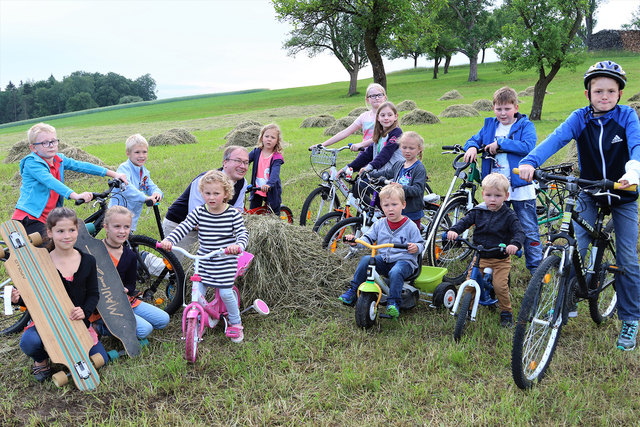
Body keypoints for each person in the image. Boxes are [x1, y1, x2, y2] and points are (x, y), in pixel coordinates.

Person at [518, 60, 640, 351]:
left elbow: (636, 145)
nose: (605, 97)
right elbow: (555, 139)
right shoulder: (580, 117)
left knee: (626, 259)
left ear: (620, 94)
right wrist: (530, 162)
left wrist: (633, 170)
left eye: (611, 91)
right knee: (573, 246)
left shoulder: (627, 117)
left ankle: (631, 318)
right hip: (588, 190)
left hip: (623, 193)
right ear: (588, 94)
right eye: (598, 91)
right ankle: (565, 304)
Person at [11, 207, 109, 382]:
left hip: (77, 321)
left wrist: (85, 312)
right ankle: (41, 361)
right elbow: (33, 296)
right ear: (49, 232)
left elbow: (94, 294)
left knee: (103, 358)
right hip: (48, 321)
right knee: (29, 341)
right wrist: (18, 299)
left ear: (77, 231)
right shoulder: (42, 262)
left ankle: (88, 333)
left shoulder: (87, 261)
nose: (67, 236)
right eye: (60, 231)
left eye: (71, 230)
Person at [159, 170, 249, 343]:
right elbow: (184, 226)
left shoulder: (232, 214)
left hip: (225, 261)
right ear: (202, 194)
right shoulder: (199, 212)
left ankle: (235, 322)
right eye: (207, 193)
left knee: (225, 293)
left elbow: (242, 234)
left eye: (216, 193)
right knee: (197, 290)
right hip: (204, 261)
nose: (212, 197)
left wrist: (238, 245)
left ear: (226, 194)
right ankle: (198, 319)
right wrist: (170, 239)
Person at [462, 86, 541, 274]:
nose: (503, 113)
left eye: (507, 108)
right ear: (493, 108)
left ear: (516, 107)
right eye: (499, 109)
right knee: (492, 226)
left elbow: (528, 146)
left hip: (520, 186)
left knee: (528, 228)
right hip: (496, 189)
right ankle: (488, 265)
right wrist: (472, 147)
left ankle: (536, 268)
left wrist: (501, 143)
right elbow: (474, 139)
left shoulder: (525, 125)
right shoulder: (490, 125)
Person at [12, 122, 128, 237]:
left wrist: (114, 174)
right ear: (33, 148)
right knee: (51, 249)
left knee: (70, 240)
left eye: (53, 141)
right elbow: (50, 181)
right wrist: (75, 195)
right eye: (45, 143)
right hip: (29, 218)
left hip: (49, 218)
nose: (51, 145)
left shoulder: (59, 159)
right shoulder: (32, 163)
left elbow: (82, 166)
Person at [446, 173, 525, 327]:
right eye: (488, 195)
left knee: (500, 286)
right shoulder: (478, 210)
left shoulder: (508, 215)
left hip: (500, 258)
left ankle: (506, 312)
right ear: (483, 194)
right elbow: (465, 221)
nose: (492, 199)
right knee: (470, 284)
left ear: (506, 196)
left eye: (497, 195)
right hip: (480, 256)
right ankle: (466, 309)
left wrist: (514, 244)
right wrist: (455, 230)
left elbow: (519, 232)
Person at [338, 184, 424, 318]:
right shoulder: (379, 224)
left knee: (396, 271)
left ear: (403, 205)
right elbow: (368, 238)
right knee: (366, 260)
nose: (390, 209)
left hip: (404, 262)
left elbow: (420, 244)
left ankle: (393, 302)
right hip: (385, 260)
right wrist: (356, 240)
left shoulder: (411, 226)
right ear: (382, 207)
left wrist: (416, 247)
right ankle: (353, 291)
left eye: (394, 204)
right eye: (386, 205)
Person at [91, 206, 169, 340]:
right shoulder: (94, 251)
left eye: (126, 227)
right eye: (117, 227)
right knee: (144, 330)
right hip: (103, 308)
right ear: (106, 227)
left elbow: (131, 283)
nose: (122, 231)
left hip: (124, 301)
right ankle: (99, 327)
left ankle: (128, 320)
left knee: (163, 319)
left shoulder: (130, 255)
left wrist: (126, 289)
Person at [163, 145, 249, 255]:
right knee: (180, 268)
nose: (243, 166)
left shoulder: (242, 183)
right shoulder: (205, 181)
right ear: (225, 163)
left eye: (246, 162)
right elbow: (194, 222)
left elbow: (238, 210)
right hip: (179, 224)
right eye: (238, 161)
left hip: (209, 228)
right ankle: (147, 260)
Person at [369, 131, 427, 230]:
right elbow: (386, 173)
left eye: (411, 148)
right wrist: (369, 173)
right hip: (398, 210)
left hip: (411, 211)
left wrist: (401, 188)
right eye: (404, 148)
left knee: (411, 238)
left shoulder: (419, 168)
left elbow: (418, 190)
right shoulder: (399, 164)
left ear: (419, 149)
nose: (407, 151)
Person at [108, 134, 163, 232]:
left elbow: (150, 185)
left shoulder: (143, 171)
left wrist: (157, 193)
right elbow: (126, 188)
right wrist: (145, 198)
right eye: (137, 152)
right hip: (117, 215)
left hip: (131, 215)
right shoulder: (124, 168)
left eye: (144, 152)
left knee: (128, 242)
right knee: (116, 242)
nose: (141, 156)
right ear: (128, 153)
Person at [316, 83, 388, 151]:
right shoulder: (364, 116)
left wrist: (361, 144)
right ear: (367, 99)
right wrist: (323, 145)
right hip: (365, 154)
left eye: (380, 95)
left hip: (383, 153)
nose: (377, 98)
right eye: (373, 96)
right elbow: (345, 132)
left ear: (385, 97)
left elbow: (382, 136)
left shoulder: (388, 116)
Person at [344, 101, 404, 177]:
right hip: (381, 173)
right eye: (383, 115)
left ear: (396, 116)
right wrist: (348, 167)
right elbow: (367, 155)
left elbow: (386, 153)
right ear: (378, 117)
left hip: (394, 175)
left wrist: (370, 167)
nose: (386, 118)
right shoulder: (380, 135)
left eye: (389, 115)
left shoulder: (397, 132)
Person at [248, 124, 284, 215]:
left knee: (273, 214)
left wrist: (269, 185)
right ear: (262, 138)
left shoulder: (277, 157)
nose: (269, 139)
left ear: (277, 141)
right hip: (256, 189)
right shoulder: (256, 152)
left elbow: (275, 173)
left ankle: (277, 227)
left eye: (273, 137)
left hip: (271, 190)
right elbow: (245, 160)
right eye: (266, 136)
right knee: (254, 214)